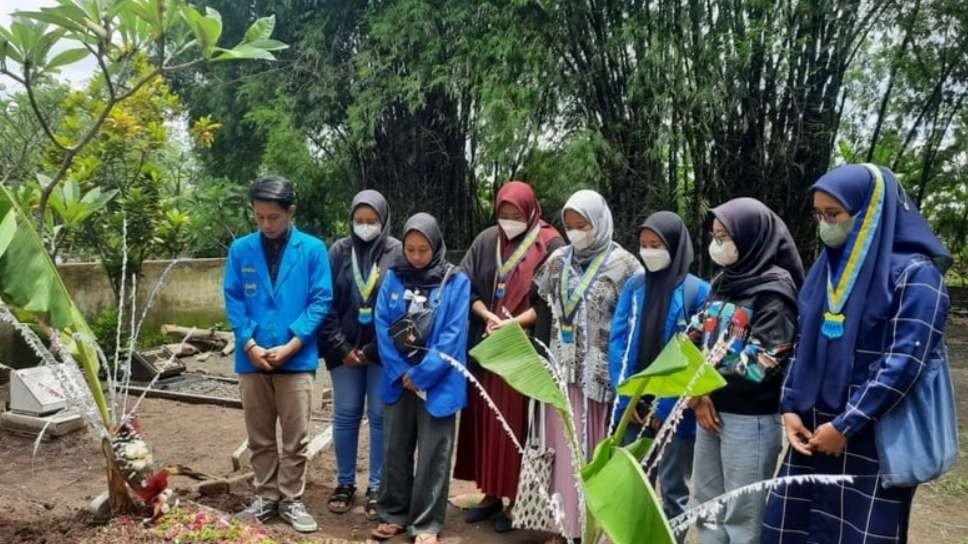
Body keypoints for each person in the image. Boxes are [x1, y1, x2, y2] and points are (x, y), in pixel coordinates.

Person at [762, 164, 952, 544]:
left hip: (871, 439)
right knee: (791, 528)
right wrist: (790, 407)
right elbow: (803, 341)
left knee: (859, 533)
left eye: (833, 215)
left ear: (870, 213)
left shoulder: (916, 276)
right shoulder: (826, 269)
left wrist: (846, 425)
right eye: (819, 215)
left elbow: (904, 364)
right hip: (812, 433)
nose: (824, 224)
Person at [687, 197, 804, 544]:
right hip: (708, 408)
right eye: (714, 235)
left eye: (724, 236)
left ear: (752, 238)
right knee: (707, 507)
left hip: (749, 419)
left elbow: (762, 362)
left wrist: (703, 388)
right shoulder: (723, 281)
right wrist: (696, 394)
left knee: (742, 516)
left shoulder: (775, 291)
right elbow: (691, 336)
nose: (716, 244)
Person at [223, 175, 332, 533]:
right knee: (259, 436)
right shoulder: (241, 250)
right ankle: (266, 497)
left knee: (296, 437)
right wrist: (249, 343)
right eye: (259, 217)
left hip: (295, 359)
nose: (267, 224)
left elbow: (321, 300)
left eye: (274, 217)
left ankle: (291, 499)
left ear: (291, 212)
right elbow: (234, 298)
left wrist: (292, 343)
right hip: (252, 359)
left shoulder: (312, 249)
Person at [454, 181, 564, 531]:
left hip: (522, 350)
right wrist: (487, 316)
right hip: (487, 345)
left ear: (531, 211)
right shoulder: (487, 240)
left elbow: (548, 303)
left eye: (515, 214)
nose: (508, 219)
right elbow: (466, 283)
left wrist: (513, 324)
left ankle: (515, 501)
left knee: (515, 426)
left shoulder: (550, 243)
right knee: (486, 423)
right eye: (503, 213)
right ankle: (490, 495)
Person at [533, 189, 642, 542]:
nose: (577, 232)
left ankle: (595, 530)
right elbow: (542, 305)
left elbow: (634, 321)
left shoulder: (626, 265)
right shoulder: (556, 260)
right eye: (570, 226)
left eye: (583, 225)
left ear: (600, 222)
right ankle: (566, 527)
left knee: (594, 453)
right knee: (564, 452)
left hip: (600, 378)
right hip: (562, 374)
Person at [370, 213, 471, 544]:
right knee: (395, 447)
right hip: (398, 381)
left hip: (438, 382)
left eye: (422, 250)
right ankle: (393, 513)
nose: (415, 257)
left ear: (436, 246)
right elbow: (383, 325)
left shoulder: (456, 281)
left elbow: (454, 336)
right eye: (410, 249)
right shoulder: (393, 278)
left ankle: (426, 522)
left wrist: (422, 374)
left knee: (433, 453)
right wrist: (402, 372)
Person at [607, 211, 709, 534]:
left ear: (676, 246)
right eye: (644, 245)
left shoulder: (698, 292)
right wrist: (628, 397)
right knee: (635, 489)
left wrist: (664, 408)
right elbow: (618, 341)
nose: (648, 252)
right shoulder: (634, 287)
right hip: (634, 409)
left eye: (656, 245)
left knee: (673, 493)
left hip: (674, 414)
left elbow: (696, 357)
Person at [318, 190, 400, 519]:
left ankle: (378, 486)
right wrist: (342, 347)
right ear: (351, 220)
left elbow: (400, 308)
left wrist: (370, 350)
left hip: (382, 352)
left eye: (372, 220)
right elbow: (326, 303)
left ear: (384, 220)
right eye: (359, 220)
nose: (365, 226)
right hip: (344, 351)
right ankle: (345, 483)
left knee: (380, 418)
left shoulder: (396, 252)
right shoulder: (339, 250)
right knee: (347, 414)